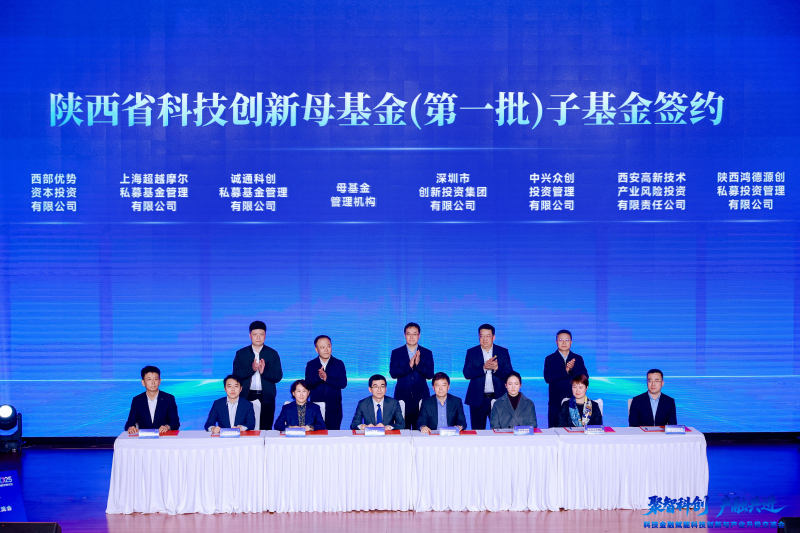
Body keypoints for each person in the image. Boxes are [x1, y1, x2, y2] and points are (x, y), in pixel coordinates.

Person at [232, 320, 283, 431]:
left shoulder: (273, 353)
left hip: (266, 397)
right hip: (246, 396)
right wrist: (252, 369)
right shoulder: (241, 354)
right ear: (250, 336)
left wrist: (264, 372)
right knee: (246, 428)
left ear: (265, 335)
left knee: (266, 428)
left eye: (261, 334)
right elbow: (236, 375)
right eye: (255, 334)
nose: (258, 337)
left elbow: (278, 376)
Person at [462, 324, 513, 429]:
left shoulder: (503, 352)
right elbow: (467, 373)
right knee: (478, 432)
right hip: (477, 400)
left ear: (493, 337)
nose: (484, 339)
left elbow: (509, 374)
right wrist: (484, 368)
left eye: (488, 336)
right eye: (482, 336)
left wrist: (497, 368)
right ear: (479, 337)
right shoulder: (471, 352)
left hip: (498, 398)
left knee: (500, 430)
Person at [389, 322, 434, 430]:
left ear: (419, 335)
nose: (411, 337)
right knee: (401, 430)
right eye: (408, 334)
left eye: (414, 334)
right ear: (405, 335)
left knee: (421, 430)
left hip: (421, 398)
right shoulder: (396, 352)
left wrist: (419, 364)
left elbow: (430, 375)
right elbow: (393, 373)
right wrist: (408, 366)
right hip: (402, 397)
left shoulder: (427, 353)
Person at [543, 329, 589, 428]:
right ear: (556, 341)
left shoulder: (578, 358)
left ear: (571, 342)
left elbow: (585, 377)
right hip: (556, 404)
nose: (564, 343)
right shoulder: (550, 359)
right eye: (561, 340)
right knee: (554, 431)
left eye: (567, 340)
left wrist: (573, 369)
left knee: (576, 432)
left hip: (575, 402)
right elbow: (548, 378)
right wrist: (566, 370)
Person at [304, 335, 347, 430]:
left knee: (333, 436)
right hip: (316, 408)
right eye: (322, 347)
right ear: (316, 349)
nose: (326, 350)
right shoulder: (311, 365)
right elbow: (308, 384)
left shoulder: (339, 363)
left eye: (328, 346)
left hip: (334, 410)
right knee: (316, 436)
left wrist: (327, 379)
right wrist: (319, 378)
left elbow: (343, 383)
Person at [125, 365, 180, 434]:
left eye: (155, 379)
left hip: (164, 437)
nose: (153, 383)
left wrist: (167, 427)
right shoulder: (137, 400)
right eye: (149, 379)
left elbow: (175, 422)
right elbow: (129, 423)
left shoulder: (169, 398)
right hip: (144, 438)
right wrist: (131, 427)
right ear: (143, 382)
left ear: (159, 381)